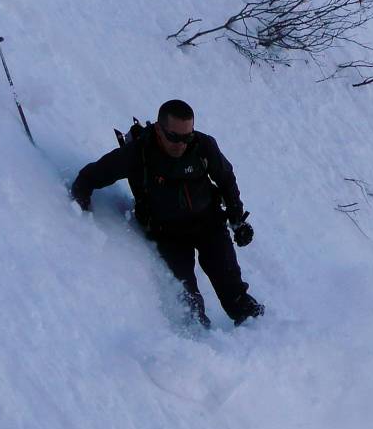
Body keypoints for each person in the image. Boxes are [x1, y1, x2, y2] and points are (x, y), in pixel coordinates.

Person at [71, 99, 264, 328]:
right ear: (159, 129)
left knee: (233, 288)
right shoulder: (138, 153)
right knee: (188, 303)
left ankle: (258, 332)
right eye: (174, 137)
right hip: (167, 234)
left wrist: (237, 219)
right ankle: (202, 347)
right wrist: (78, 201)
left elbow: (226, 179)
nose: (181, 144)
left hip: (208, 224)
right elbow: (93, 175)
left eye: (187, 137)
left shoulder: (203, 146)